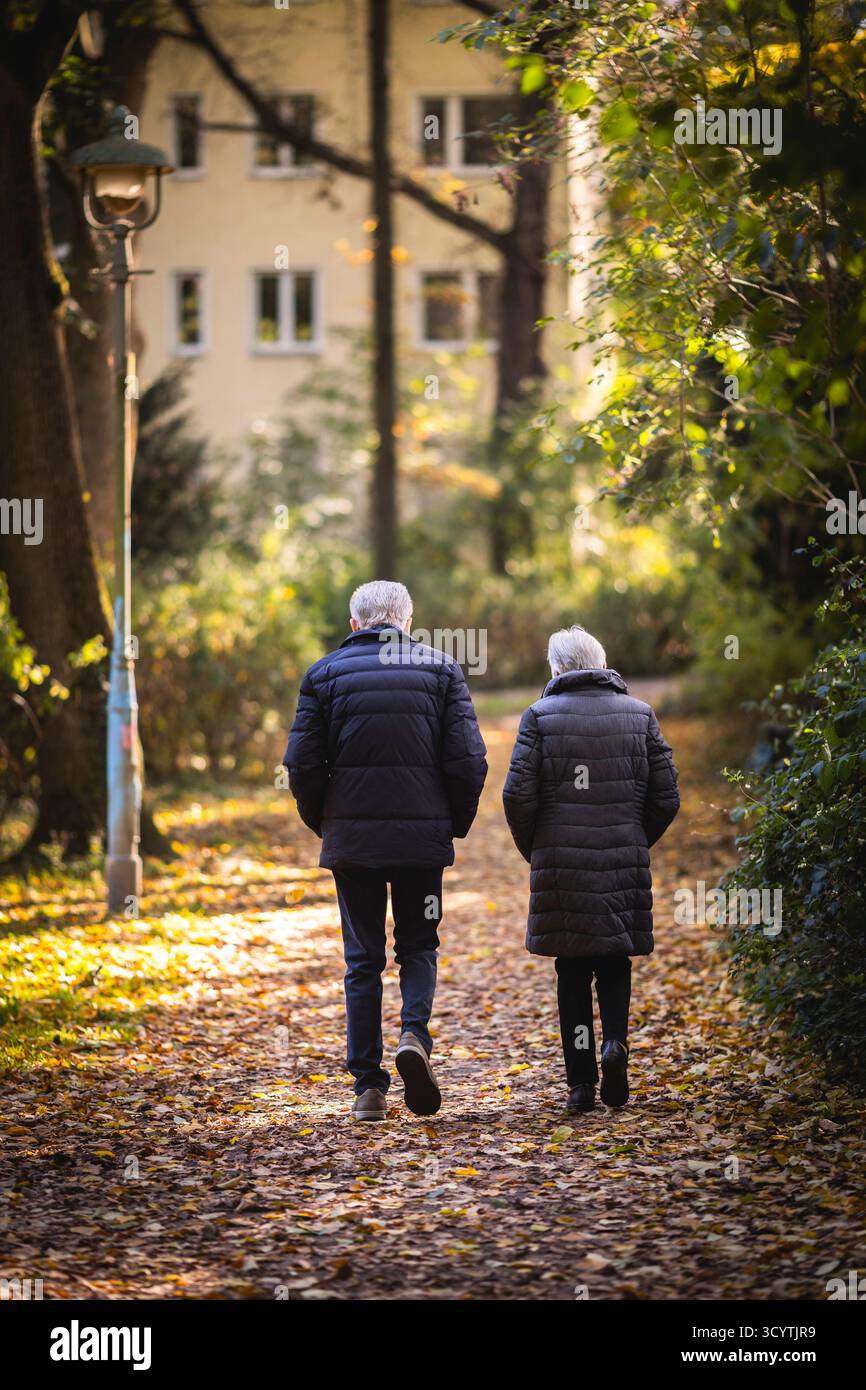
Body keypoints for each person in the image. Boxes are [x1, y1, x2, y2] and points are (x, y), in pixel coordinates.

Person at [283, 581, 487, 1121]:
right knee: (419, 945)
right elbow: (469, 762)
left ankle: (368, 1087)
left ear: (356, 625)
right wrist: (451, 826)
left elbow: (301, 766)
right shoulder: (441, 671)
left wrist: (327, 823)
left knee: (362, 959)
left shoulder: (323, 675)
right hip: (421, 843)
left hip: (353, 845)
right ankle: (414, 1035)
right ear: (407, 622)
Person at [503, 625, 679, 1113]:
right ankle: (615, 1045)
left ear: (556, 669)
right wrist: (635, 838)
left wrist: (537, 848)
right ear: (600, 663)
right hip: (623, 855)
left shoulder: (539, 717)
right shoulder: (640, 715)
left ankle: (581, 1083)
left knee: (573, 971)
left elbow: (517, 796)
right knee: (615, 961)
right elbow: (667, 796)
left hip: (561, 863)